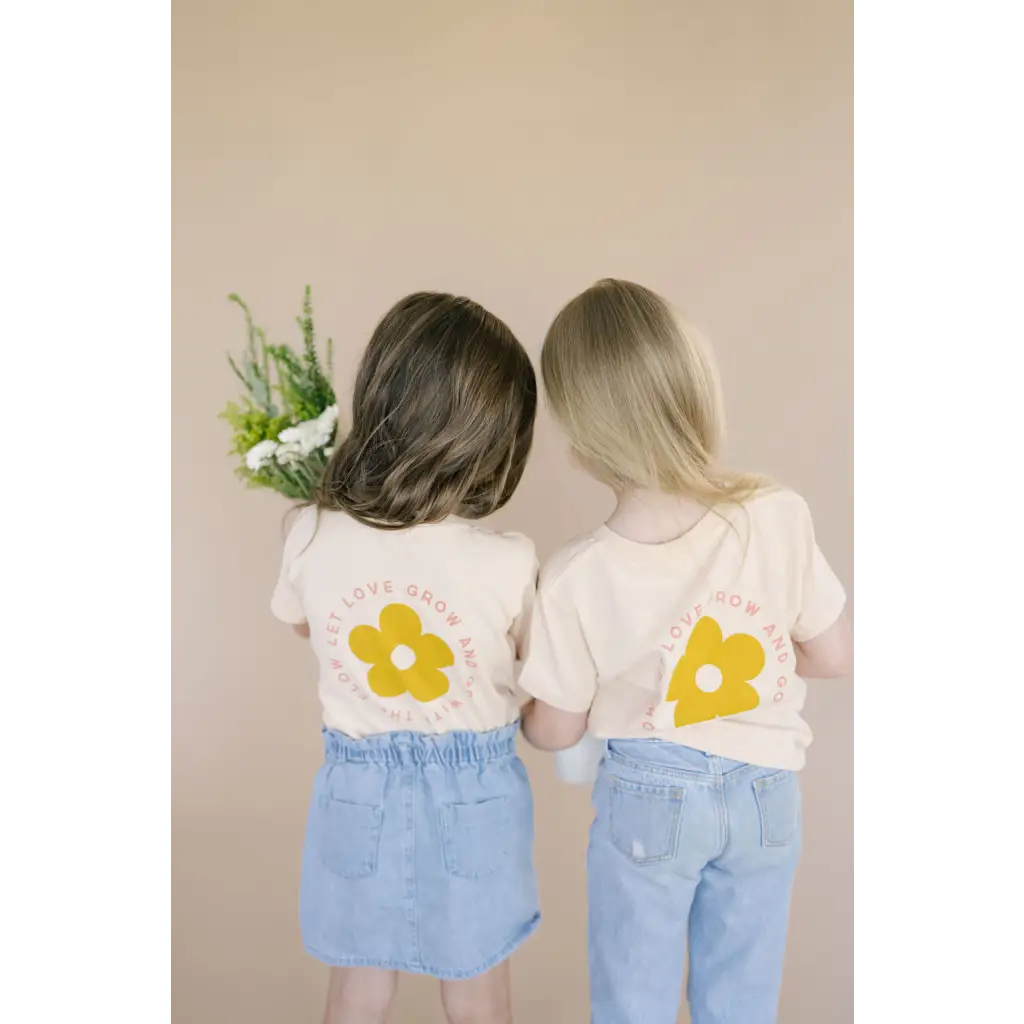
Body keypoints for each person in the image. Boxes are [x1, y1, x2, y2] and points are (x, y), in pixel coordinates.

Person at [518, 278, 853, 1024]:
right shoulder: (775, 516)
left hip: (651, 799)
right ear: (696, 391)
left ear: (582, 433)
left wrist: (525, 703)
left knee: (633, 998)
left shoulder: (578, 575)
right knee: (741, 998)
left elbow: (558, 728)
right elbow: (831, 654)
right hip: (767, 797)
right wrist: (755, 657)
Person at [272, 292, 539, 1024]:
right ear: (493, 439)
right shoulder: (509, 563)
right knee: (479, 993)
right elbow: (522, 665)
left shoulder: (309, 533)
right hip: (474, 799)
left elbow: (310, 628)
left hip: (357, 794)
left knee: (358, 991)